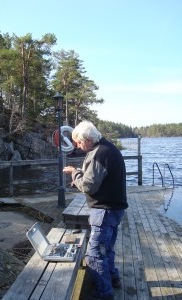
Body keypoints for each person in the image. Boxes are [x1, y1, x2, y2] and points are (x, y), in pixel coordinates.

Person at [63, 121, 128, 300]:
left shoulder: (99, 154)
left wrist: (74, 174)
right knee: (106, 249)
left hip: (104, 211)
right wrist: (80, 176)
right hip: (114, 209)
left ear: (89, 139)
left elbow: (88, 186)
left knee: (94, 255)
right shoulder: (107, 148)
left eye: (79, 142)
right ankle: (113, 278)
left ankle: (103, 294)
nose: (77, 145)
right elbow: (97, 179)